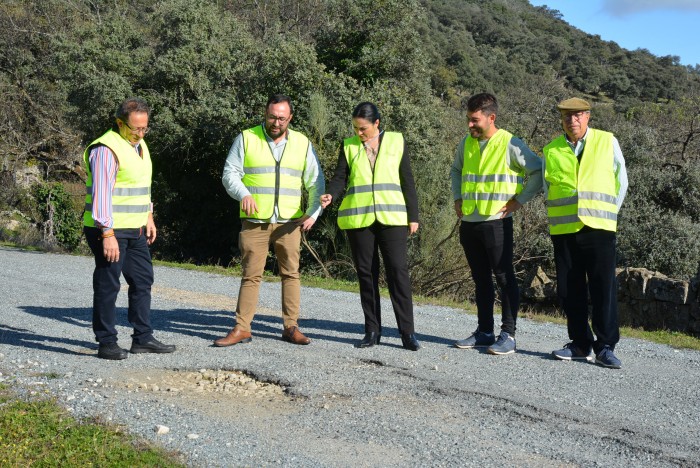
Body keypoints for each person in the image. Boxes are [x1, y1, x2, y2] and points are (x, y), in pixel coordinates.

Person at [214, 94, 325, 347]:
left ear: (290, 118)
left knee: (291, 274)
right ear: (265, 114)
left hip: (290, 222)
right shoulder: (246, 138)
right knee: (251, 275)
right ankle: (242, 328)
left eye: (282, 118)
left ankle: (291, 327)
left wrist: (313, 212)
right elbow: (229, 173)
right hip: (255, 221)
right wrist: (243, 194)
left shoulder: (302, 143)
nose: (276, 123)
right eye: (272, 117)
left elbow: (316, 181)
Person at [320, 102, 420, 351]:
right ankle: (372, 330)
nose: (359, 133)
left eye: (363, 128)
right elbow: (340, 177)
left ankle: (407, 333)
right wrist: (330, 194)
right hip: (360, 218)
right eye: (355, 128)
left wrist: (413, 215)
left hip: (392, 217)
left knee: (398, 272)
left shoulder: (397, 142)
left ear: (377, 123)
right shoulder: (348, 145)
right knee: (366, 274)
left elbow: (407, 180)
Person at [83, 97, 176, 360]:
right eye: (135, 128)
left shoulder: (139, 145)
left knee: (142, 280)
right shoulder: (105, 149)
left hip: (135, 228)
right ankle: (106, 342)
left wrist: (148, 215)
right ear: (119, 122)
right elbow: (102, 196)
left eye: (144, 128)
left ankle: (142, 338)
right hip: (108, 229)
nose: (140, 133)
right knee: (108, 284)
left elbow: (142, 184)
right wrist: (107, 234)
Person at [450, 93, 543, 355]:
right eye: (468, 120)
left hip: (497, 223)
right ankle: (484, 332)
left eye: (475, 120)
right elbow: (456, 170)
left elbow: (537, 170)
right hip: (469, 221)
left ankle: (509, 335)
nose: (470, 125)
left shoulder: (510, 143)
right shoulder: (466, 142)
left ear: (492, 117)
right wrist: (457, 197)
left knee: (504, 278)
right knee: (480, 279)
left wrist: (519, 201)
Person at [544, 97, 628, 369]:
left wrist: (608, 214)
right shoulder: (551, 149)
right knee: (570, 291)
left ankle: (605, 347)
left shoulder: (607, 141)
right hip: (565, 230)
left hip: (599, 228)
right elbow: (548, 189)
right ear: (562, 119)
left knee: (604, 288)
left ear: (588, 116)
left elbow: (621, 180)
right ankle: (580, 343)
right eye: (568, 116)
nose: (573, 121)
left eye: (578, 115)